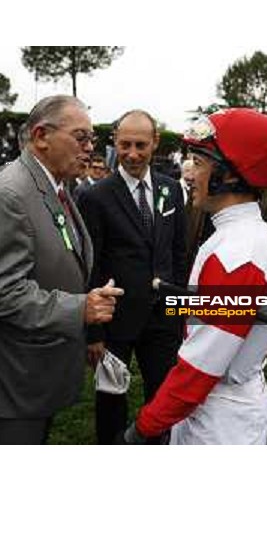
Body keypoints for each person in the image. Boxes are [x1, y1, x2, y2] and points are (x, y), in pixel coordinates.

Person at [121, 109, 267, 445]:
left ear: (228, 176)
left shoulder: (236, 255)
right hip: (227, 408)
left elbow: (199, 370)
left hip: (217, 422)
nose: (190, 175)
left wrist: (142, 428)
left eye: (199, 163)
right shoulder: (248, 238)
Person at [0, 95, 123, 445]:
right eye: (81, 137)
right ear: (41, 136)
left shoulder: (55, 185)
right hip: (16, 381)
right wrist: (80, 308)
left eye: (91, 139)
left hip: (39, 372)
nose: (89, 148)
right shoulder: (11, 193)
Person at [78, 109, 187, 444]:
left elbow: (179, 253)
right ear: (114, 142)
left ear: (156, 143)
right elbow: (90, 265)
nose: (132, 153)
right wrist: (93, 331)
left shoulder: (171, 190)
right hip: (115, 319)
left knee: (163, 396)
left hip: (163, 319)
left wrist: (181, 310)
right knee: (111, 399)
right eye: (125, 144)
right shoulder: (95, 196)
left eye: (141, 144)